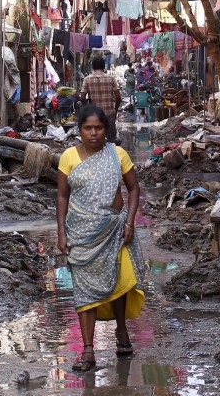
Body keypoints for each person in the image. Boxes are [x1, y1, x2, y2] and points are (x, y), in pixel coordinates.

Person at [56, 105, 145, 372]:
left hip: (115, 231)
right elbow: (62, 196)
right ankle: (87, 350)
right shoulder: (68, 157)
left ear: (106, 129)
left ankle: (121, 331)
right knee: (84, 291)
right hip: (81, 235)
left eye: (98, 128)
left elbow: (133, 188)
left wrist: (129, 221)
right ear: (79, 130)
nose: (93, 133)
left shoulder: (117, 154)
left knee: (118, 282)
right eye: (88, 128)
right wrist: (61, 232)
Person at [80, 56, 121, 143]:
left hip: (94, 116)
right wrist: (115, 111)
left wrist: (88, 107)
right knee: (111, 142)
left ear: (93, 67)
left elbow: (82, 98)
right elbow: (118, 97)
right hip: (109, 114)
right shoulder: (111, 78)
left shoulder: (87, 79)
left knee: (95, 142)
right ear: (104, 67)